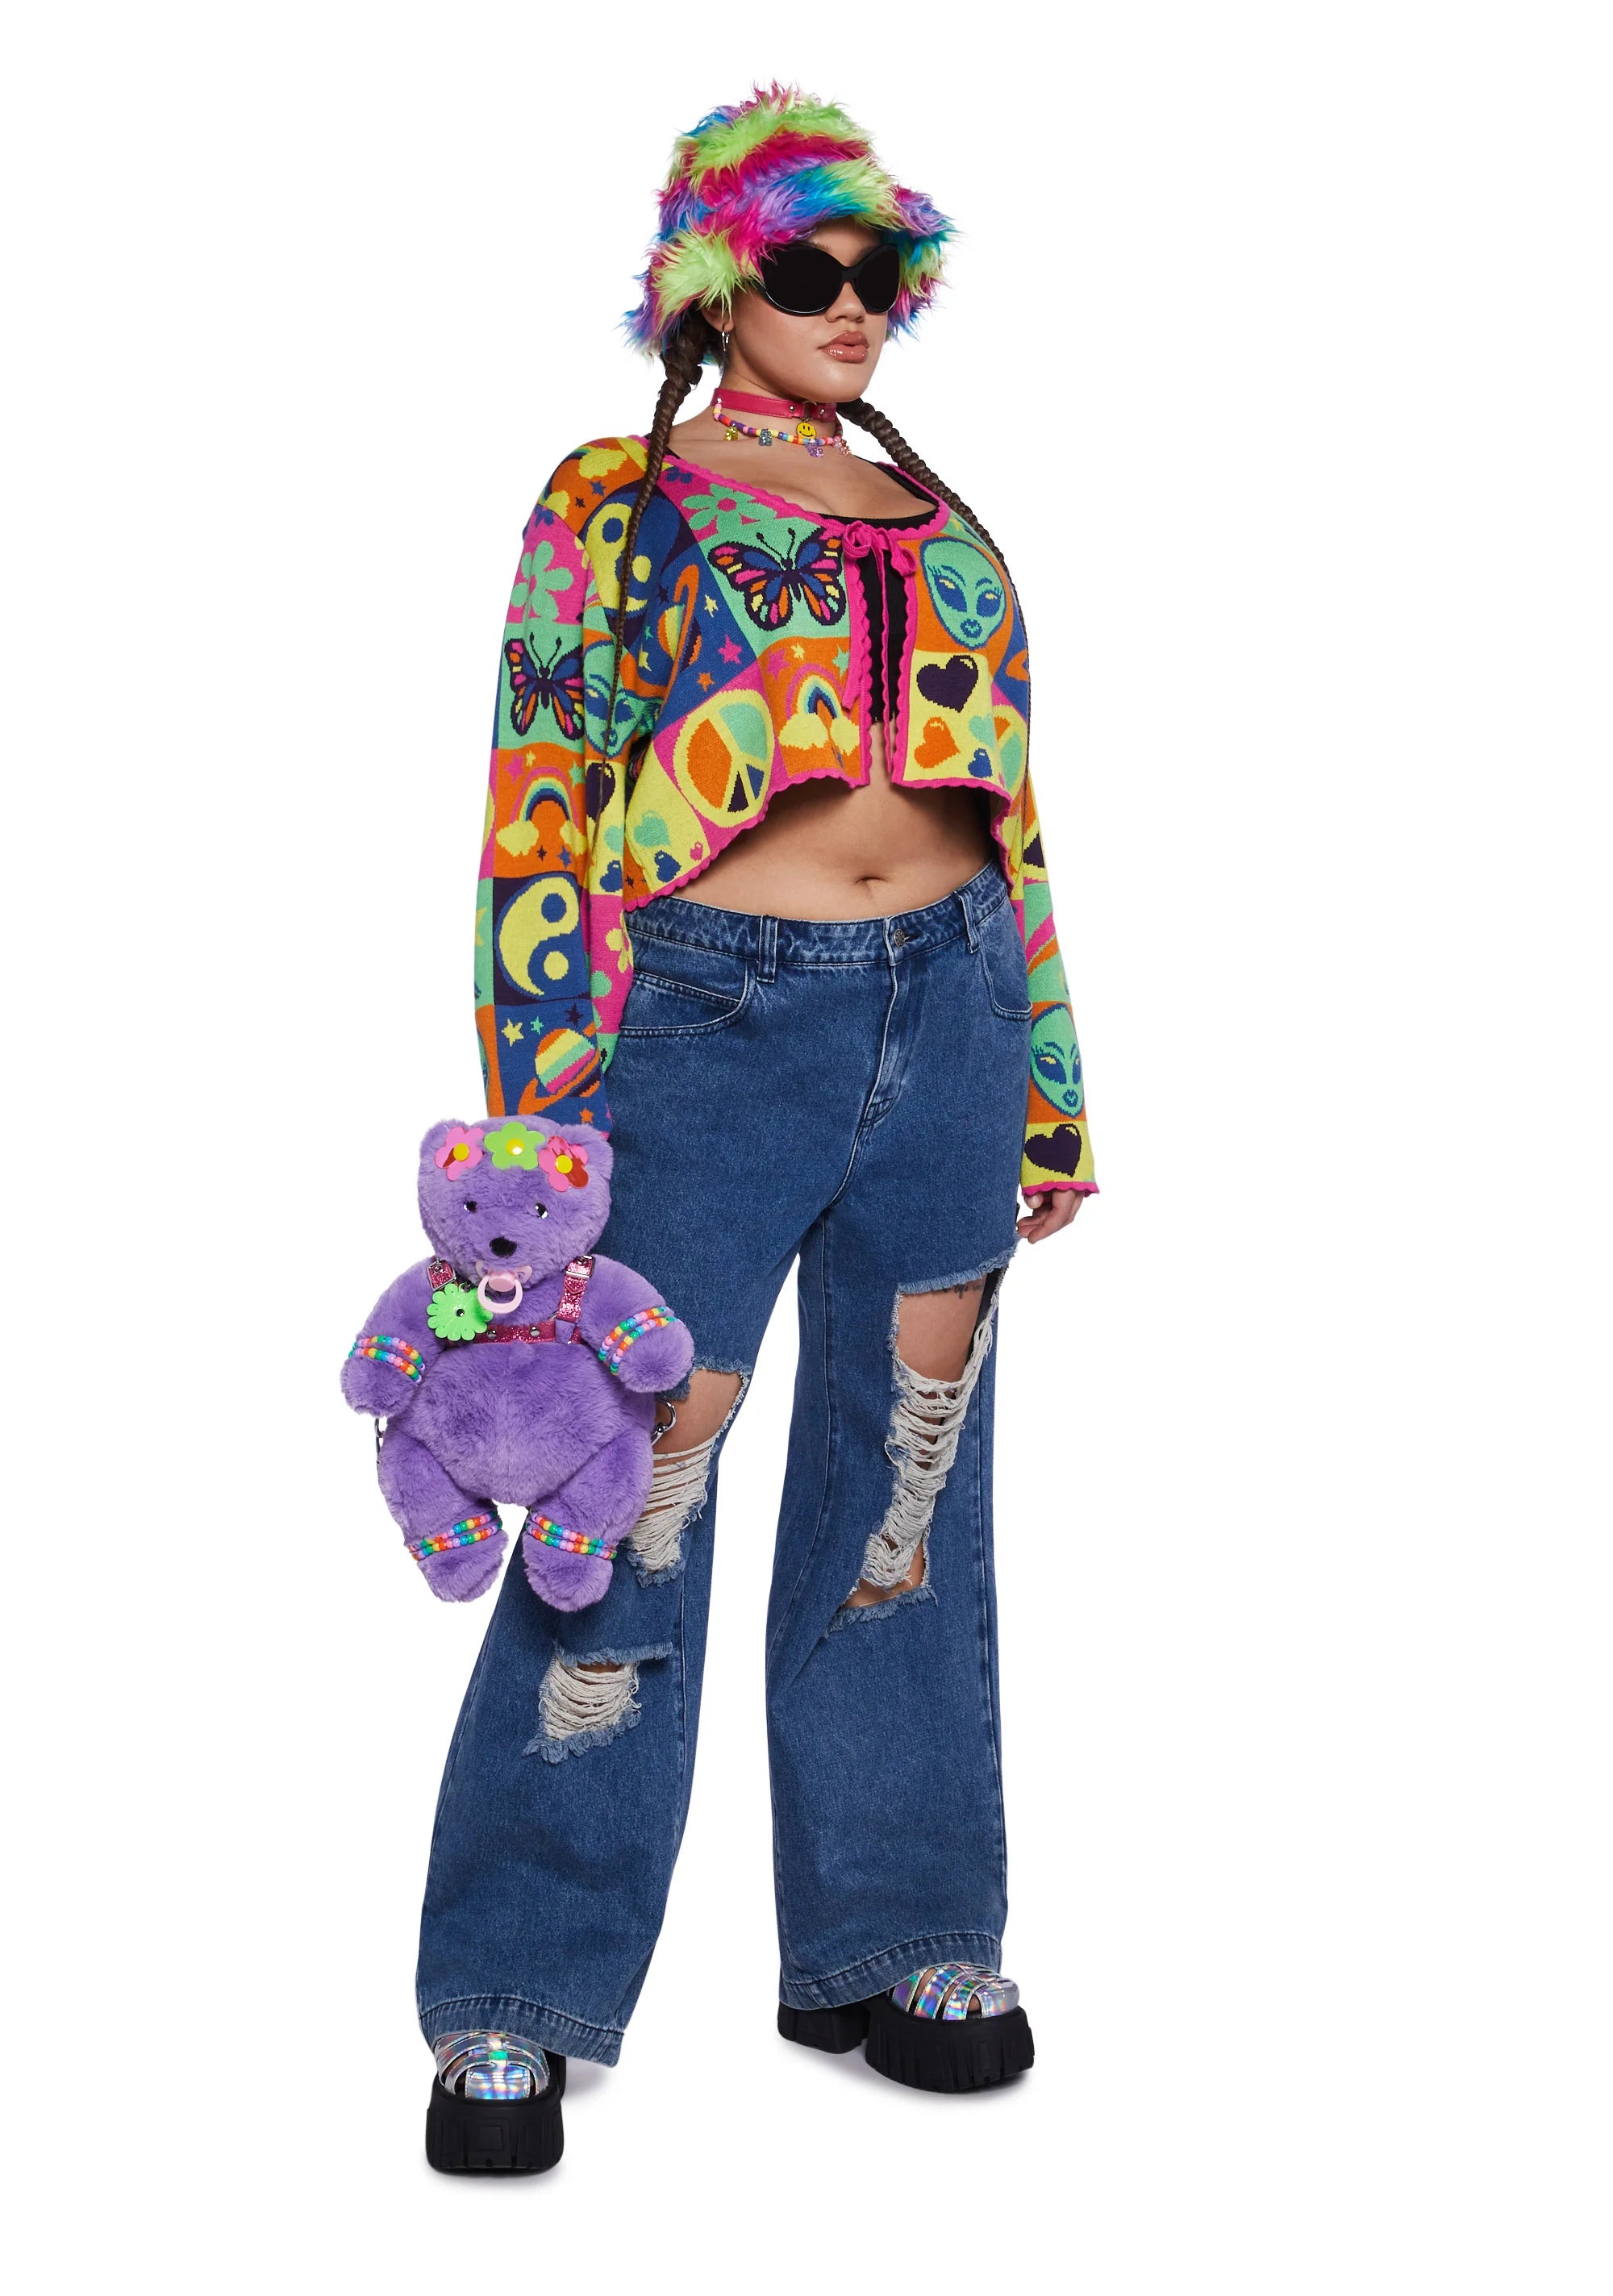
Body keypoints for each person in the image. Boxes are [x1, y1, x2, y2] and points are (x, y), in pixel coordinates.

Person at [418, 84, 1098, 2174]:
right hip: (705, 1025)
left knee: (914, 1487)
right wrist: (536, 1119)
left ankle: (898, 1939)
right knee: (633, 1479)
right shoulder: (616, 502)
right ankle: (520, 1986)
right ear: (715, 283)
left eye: (882, 270)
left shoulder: (936, 511)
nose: (852, 304)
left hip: (952, 1007)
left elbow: (1014, 807)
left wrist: (1050, 1073)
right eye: (808, 266)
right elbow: (541, 789)